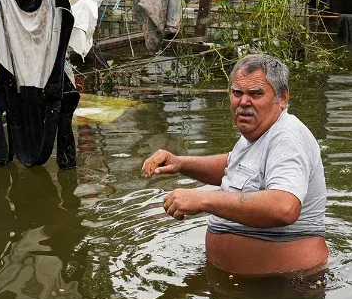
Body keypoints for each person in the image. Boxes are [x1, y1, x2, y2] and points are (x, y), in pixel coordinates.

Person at [141, 54, 328, 276]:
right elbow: (235, 166)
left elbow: (284, 207)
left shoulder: (286, 138)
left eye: (256, 94)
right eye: (237, 92)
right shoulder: (258, 131)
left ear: (283, 98)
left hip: (285, 288)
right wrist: (180, 163)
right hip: (240, 287)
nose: (244, 102)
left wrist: (202, 199)